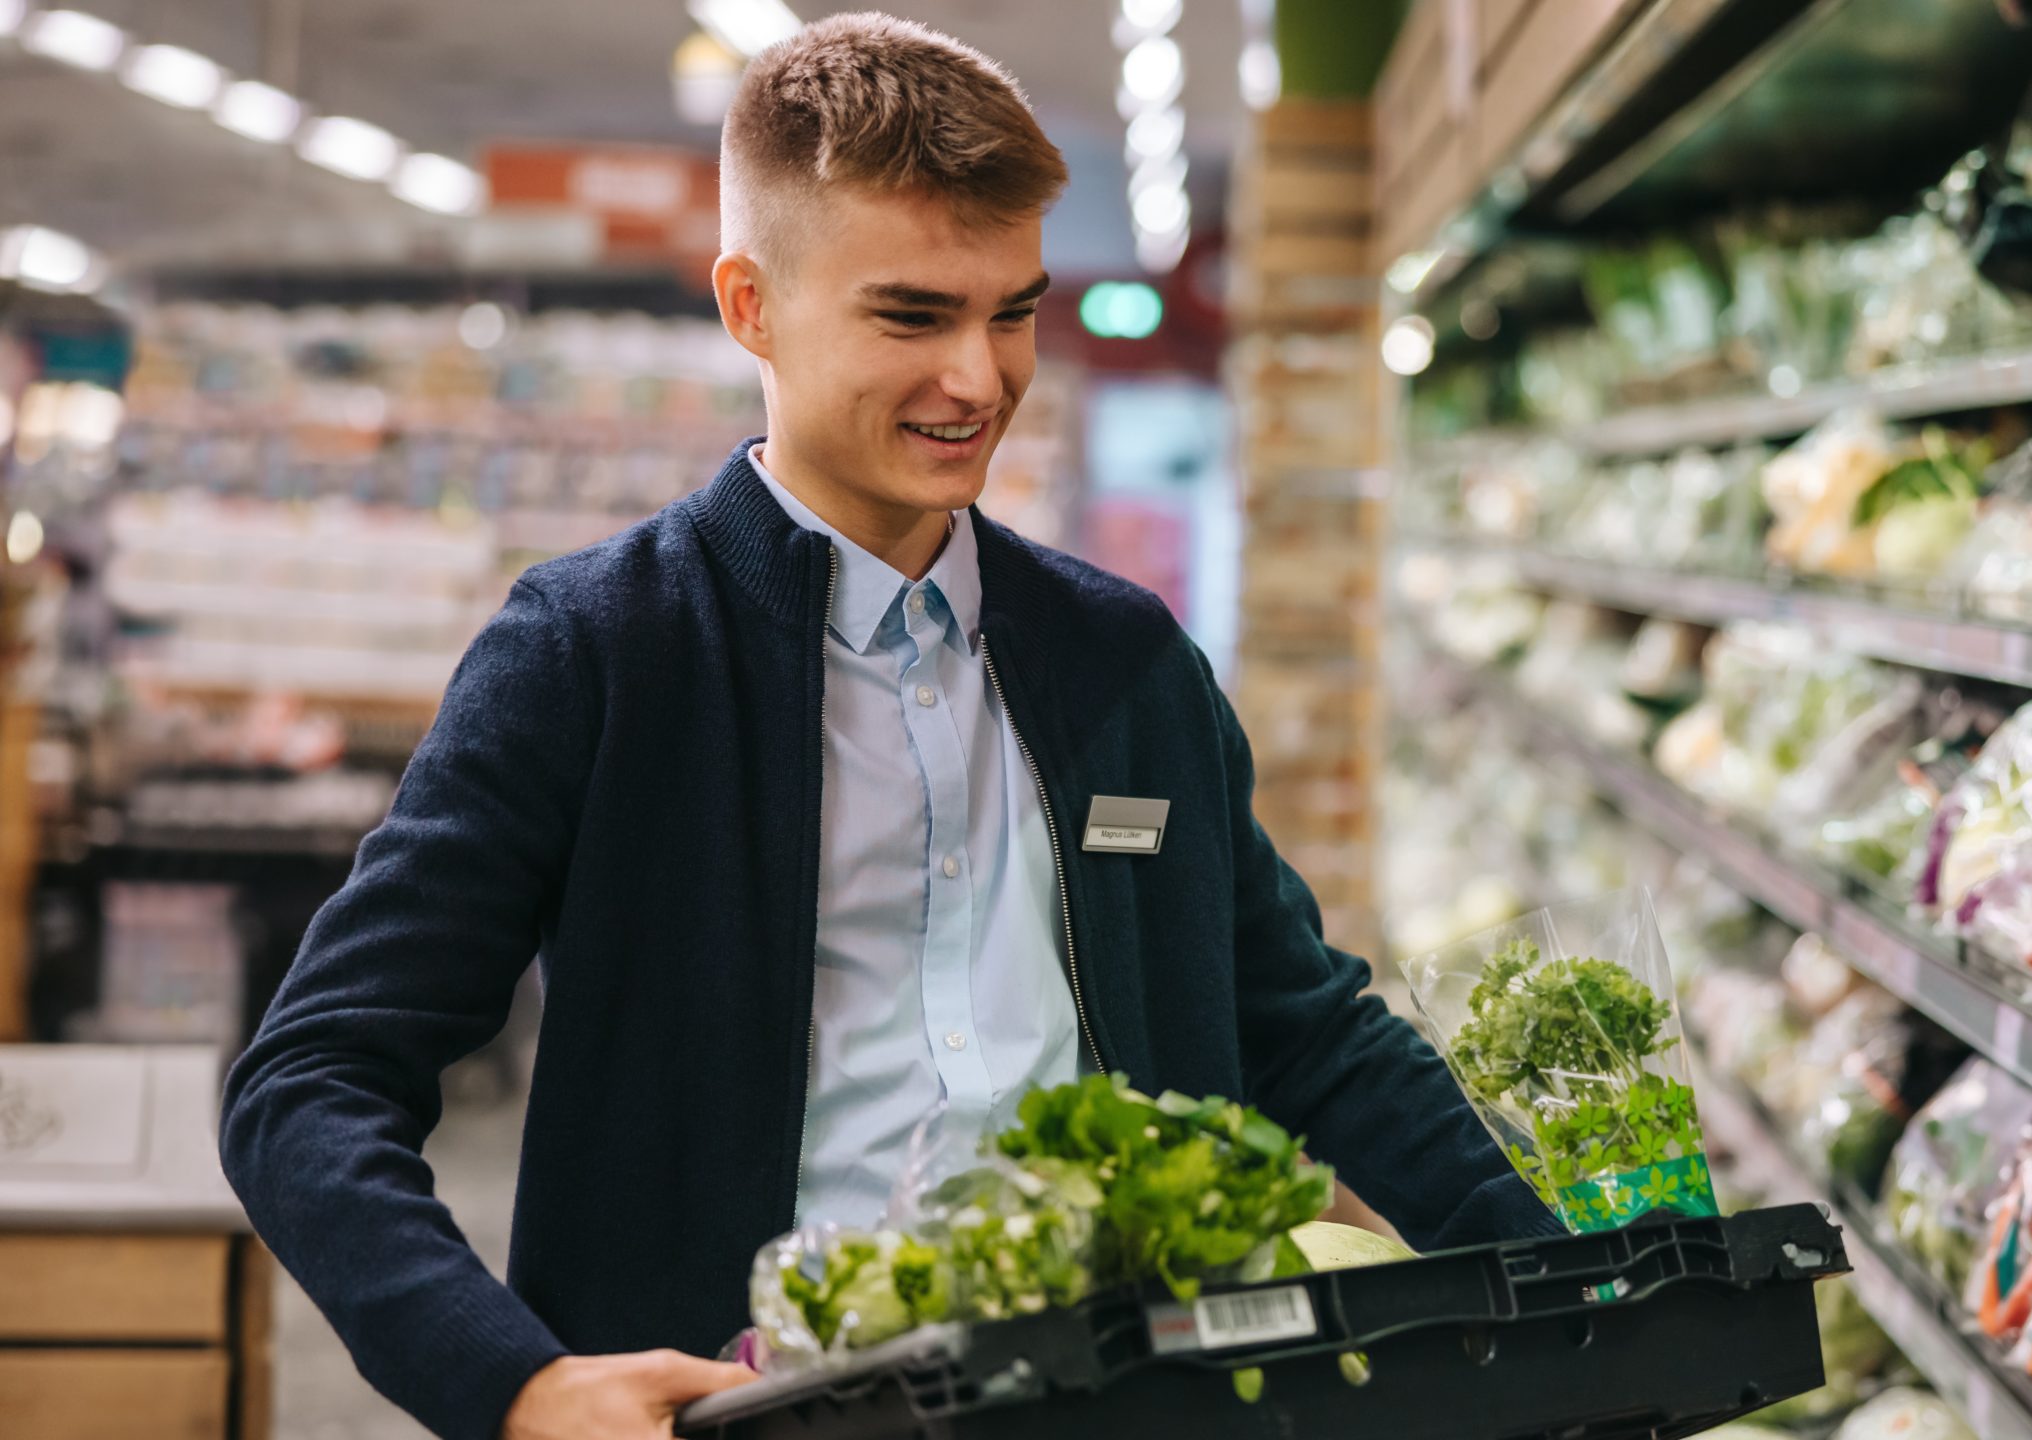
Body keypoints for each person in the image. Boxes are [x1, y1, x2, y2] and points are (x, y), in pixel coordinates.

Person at [218, 14, 1556, 1440]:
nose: (979, 380)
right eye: (912, 317)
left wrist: (1592, 1287)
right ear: (752, 308)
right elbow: (312, 1080)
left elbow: (1308, 1034)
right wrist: (517, 1382)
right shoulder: (599, 652)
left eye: (1013, 311)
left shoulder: (1125, 664)